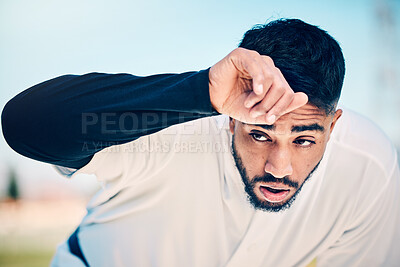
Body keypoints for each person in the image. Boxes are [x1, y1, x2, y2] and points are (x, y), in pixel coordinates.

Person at [2, 18, 399, 266]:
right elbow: (26, 124)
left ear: (334, 124)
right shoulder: (172, 131)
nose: (279, 167)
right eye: (260, 134)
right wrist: (199, 92)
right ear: (231, 120)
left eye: (304, 140)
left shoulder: (369, 165)